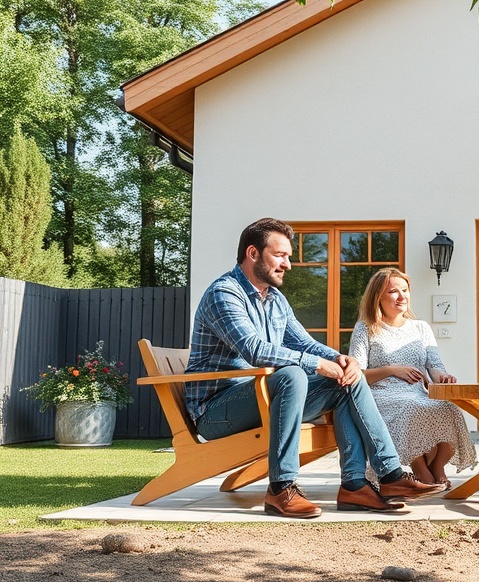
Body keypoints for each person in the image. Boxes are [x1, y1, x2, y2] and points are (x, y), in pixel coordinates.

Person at [186, 218, 445, 519]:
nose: (288, 264)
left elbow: (304, 343)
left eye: (288, 256)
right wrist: (318, 364)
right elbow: (254, 350)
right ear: (253, 253)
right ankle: (281, 488)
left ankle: (371, 481)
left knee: (349, 378)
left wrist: (341, 359)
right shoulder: (225, 294)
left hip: (260, 397)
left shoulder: (275, 300)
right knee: (292, 374)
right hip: (216, 410)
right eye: (280, 255)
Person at [349, 268, 476, 488]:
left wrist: (442, 376)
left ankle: (437, 467)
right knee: (410, 408)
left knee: (450, 409)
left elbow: (434, 365)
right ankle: (420, 469)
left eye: (405, 290)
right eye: (393, 292)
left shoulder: (420, 327)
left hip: (417, 393)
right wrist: (391, 370)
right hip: (382, 395)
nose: (402, 296)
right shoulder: (366, 328)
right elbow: (356, 374)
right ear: (378, 297)